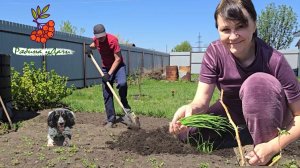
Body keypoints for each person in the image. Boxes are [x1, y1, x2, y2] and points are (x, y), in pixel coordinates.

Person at [169, 0, 300, 166]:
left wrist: (273, 146)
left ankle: (262, 150)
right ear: (218, 30)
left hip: (270, 118)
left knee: (257, 84)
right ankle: (245, 137)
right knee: (193, 135)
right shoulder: (215, 52)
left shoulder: (274, 60)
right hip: (233, 115)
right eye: (225, 29)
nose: (233, 36)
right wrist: (191, 109)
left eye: (240, 26)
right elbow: (201, 101)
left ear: (254, 25)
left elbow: (299, 115)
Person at [89, 24, 131, 128]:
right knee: (107, 93)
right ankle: (111, 119)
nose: (101, 38)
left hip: (118, 66)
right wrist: (88, 48)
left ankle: (125, 105)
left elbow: (118, 59)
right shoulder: (97, 39)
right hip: (105, 68)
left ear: (105, 33)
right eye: (99, 37)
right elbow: (94, 45)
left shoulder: (113, 40)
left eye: (103, 36)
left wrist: (109, 74)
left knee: (122, 83)